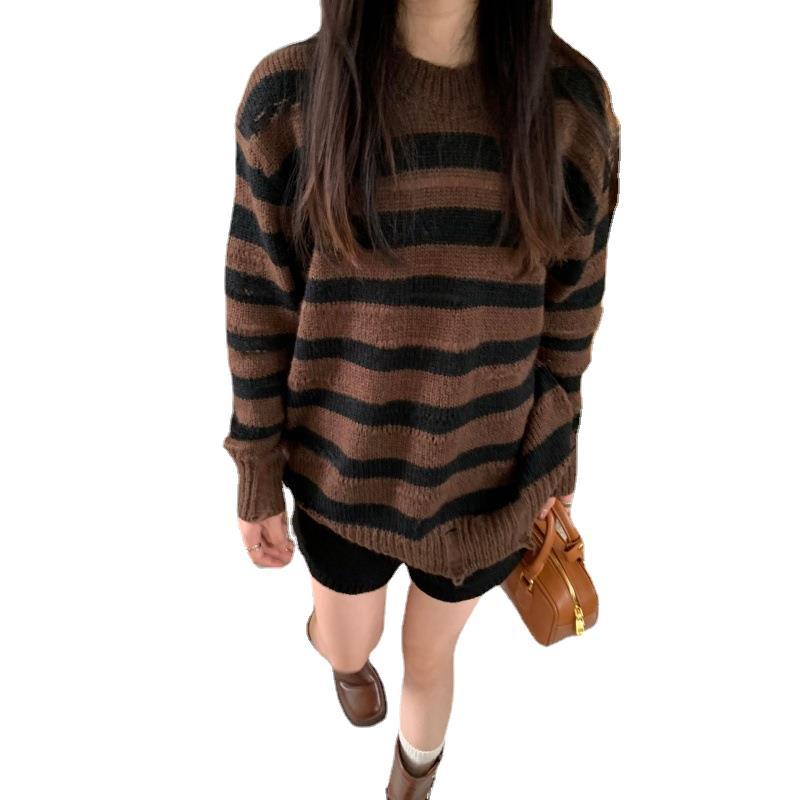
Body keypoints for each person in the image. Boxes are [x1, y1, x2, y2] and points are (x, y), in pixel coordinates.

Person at [222, 1, 620, 796]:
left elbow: (571, 318)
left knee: (431, 658)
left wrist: (556, 463)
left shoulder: (571, 106)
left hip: (488, 485)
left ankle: (413, 777)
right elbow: (257, 306)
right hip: (341, 476)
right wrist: (257, 471)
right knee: (349, 641)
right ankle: (342, 658)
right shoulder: (288, 99)